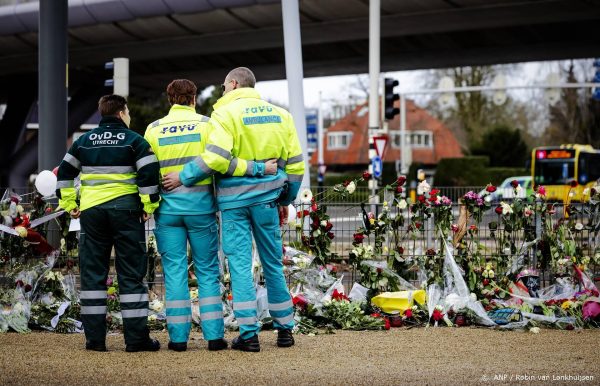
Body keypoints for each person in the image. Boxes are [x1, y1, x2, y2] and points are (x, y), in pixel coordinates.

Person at [163, 67, 305, 352]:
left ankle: (249, 335)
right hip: (268, 200)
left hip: (234, 203)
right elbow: (296, 165)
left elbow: (215, 158)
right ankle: (285, 329)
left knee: (240, 267)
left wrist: (185, 176)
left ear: (234, 83)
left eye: (223, 86)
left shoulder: (225, 115)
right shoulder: (282, 115)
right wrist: (284, 200)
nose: (222, 91)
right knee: (273, 264)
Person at [144, 79, 277, 352]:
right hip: (202, 211)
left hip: (168, 214)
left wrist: (148, 205)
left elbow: (146, 172)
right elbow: (222, 163)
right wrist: (259, 168)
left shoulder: (153, 129)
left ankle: (178, 339)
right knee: (207, 272)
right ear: (194, 98)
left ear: (170, 99)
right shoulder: (208, 125)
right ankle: (214, 337)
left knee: (174, 273)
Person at [56, 95, 161, 352]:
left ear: (102, 114)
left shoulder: (83, 142)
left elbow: (65, 173)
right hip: (126, 212)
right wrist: (149, 206)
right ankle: (136, 341)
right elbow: (149, 174)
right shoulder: (135, 140)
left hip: (92, 214)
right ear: (123, 113)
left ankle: (95, 340)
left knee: (92, 276)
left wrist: (71, 204)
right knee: (131, 276)